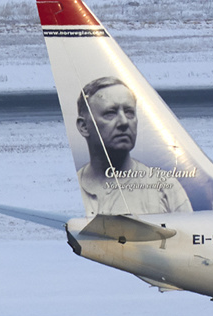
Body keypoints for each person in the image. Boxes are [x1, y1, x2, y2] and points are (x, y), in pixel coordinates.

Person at [73, 76, 192, 216]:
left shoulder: (165, 188)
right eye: (110, 113)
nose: (124, 122)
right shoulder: (71, 190)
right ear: (84, 127)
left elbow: (190, 235)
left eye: (129, 112)